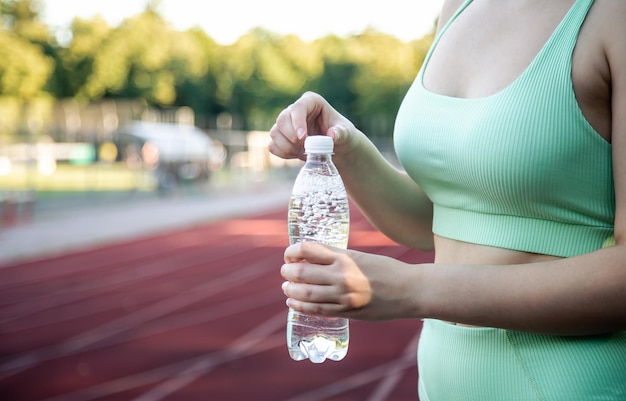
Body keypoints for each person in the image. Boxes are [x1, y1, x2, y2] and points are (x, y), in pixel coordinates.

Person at [269, 0, 626, 399]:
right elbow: (437, 222)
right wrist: (345, 145)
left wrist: (412, 288)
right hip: (441, 379)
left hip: (566, 383)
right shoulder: (458, 6)